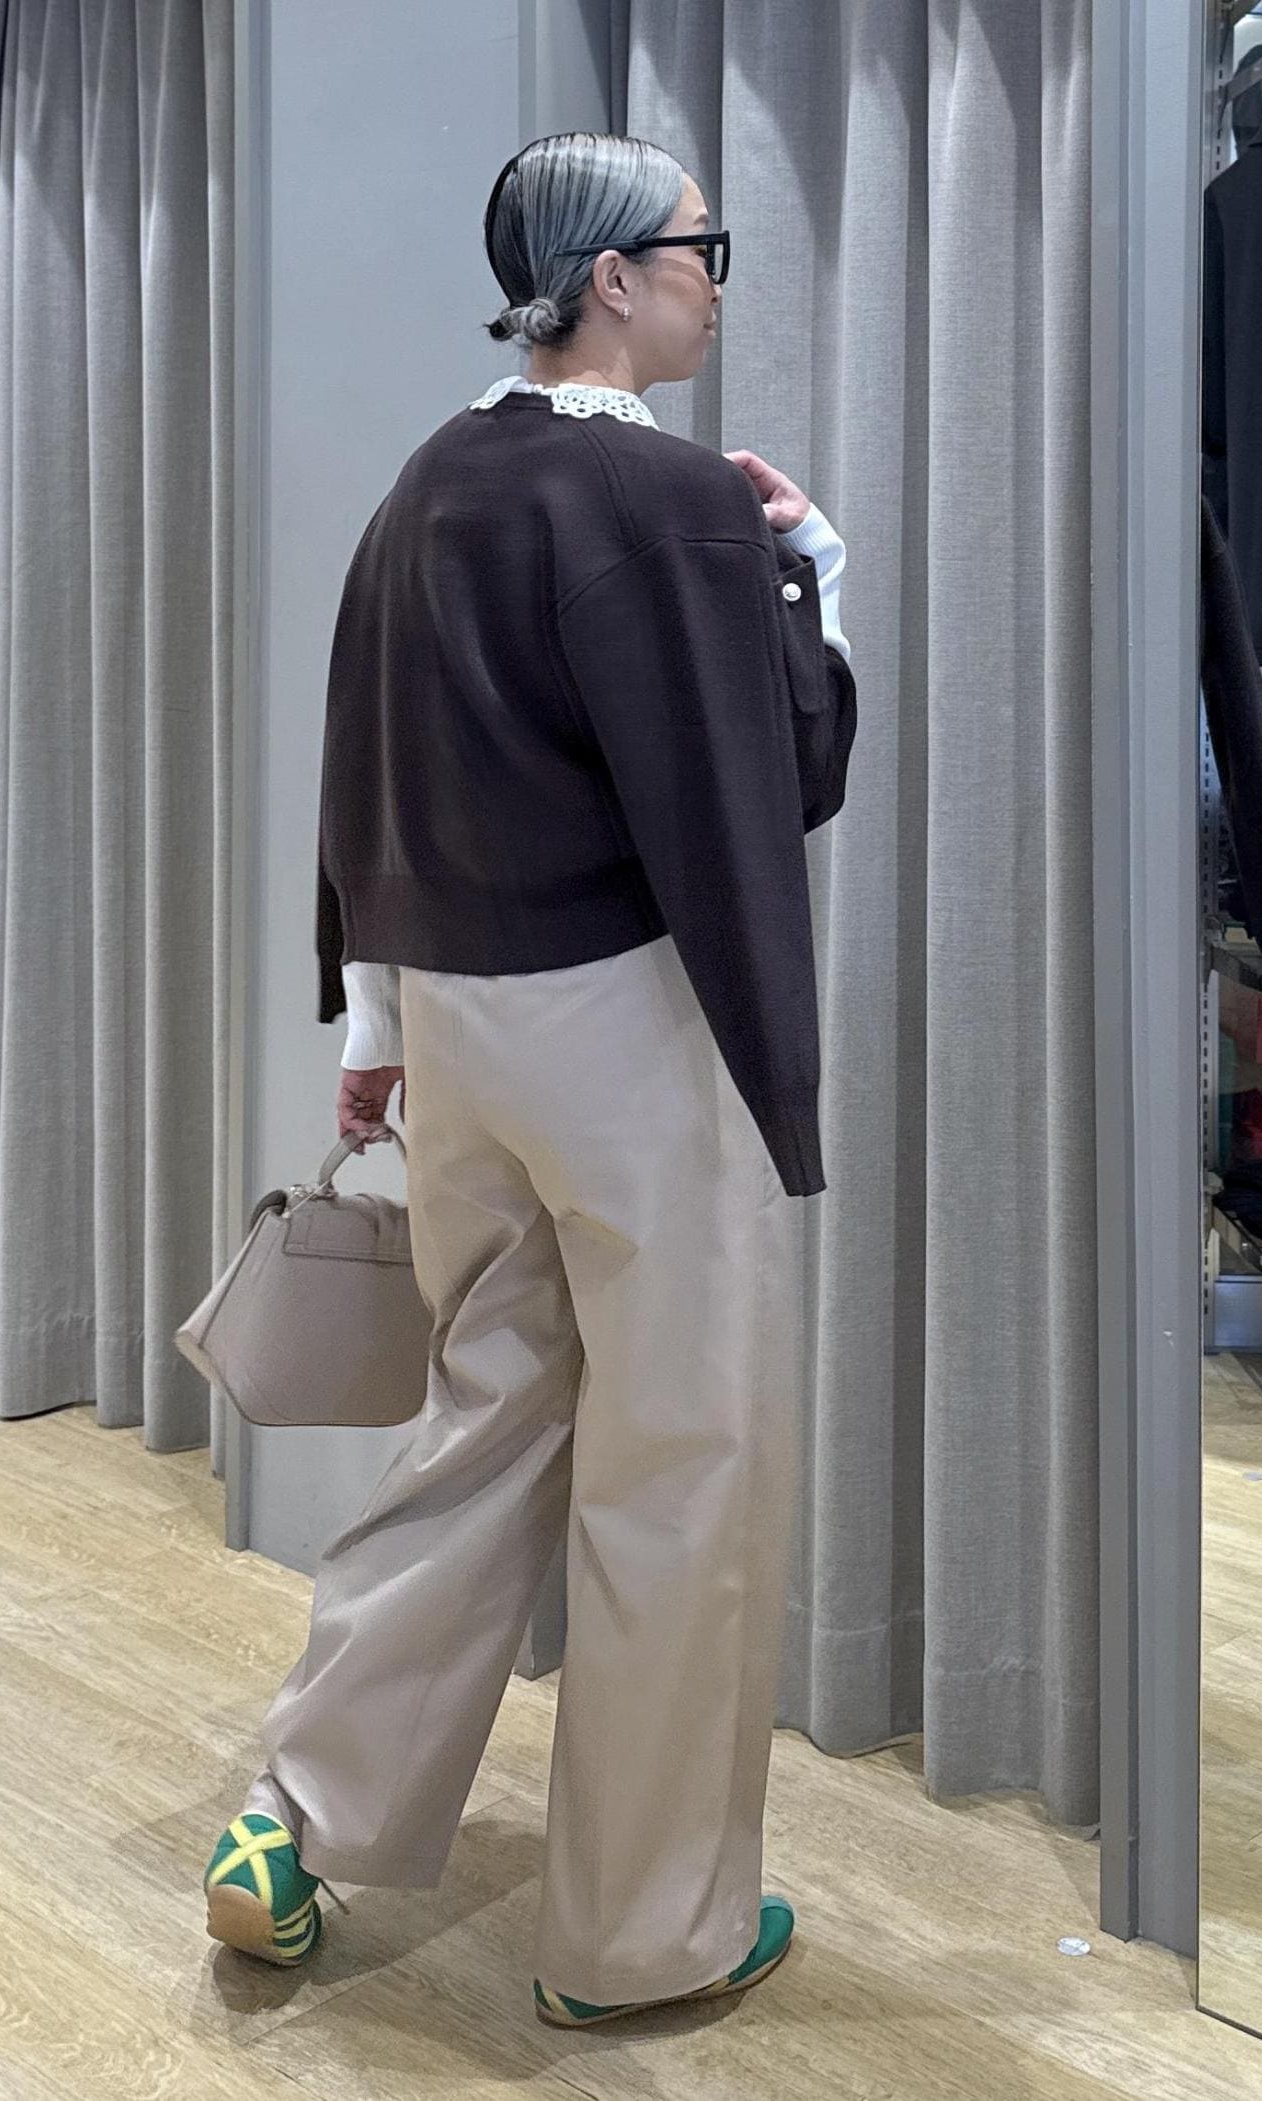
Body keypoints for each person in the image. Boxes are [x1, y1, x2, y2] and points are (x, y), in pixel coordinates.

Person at [203, 130, 858, 2030]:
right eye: (701, 246)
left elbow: (372, 769)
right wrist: (813, 572)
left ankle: (297, 1813)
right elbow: (777, 776)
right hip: (633, 1032)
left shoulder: (430, 482)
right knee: (684, 1464)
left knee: (481, 1422)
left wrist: (374, 1033)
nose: (717, 279)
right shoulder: (668, 501)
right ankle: (641, 1937)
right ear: (613, 277)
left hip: (464, 1038)